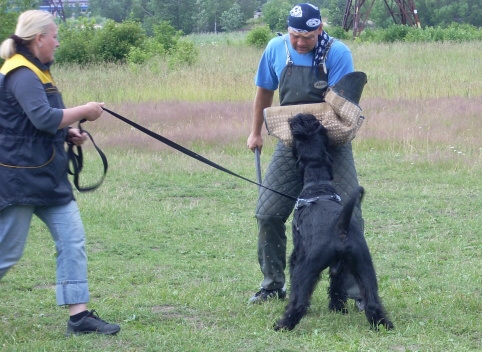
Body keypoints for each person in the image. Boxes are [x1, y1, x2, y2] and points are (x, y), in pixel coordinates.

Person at [0, 10, 120, 335]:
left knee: (72, 240)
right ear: (38, 39)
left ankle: (78, 317)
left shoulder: (36, 70)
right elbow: (41, 117)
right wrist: (86, 111)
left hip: (47, 175)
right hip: (20, 177)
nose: (57, 41)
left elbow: (35, 121)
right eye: (54, 35)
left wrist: (67, 133)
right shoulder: (22, 72)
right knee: (7, 251)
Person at [247, 3, 364, 307]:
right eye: (295, 35)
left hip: (332, 147)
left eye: (307, 37)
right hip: (290, 144)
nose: (300, 42)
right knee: (268, 213)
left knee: (352, 216)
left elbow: (340, 107)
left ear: (319, 30)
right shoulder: (275, 48)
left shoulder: (338, 54)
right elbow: (264, 92)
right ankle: (273, 285)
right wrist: (256, 131)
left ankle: (355, 293)